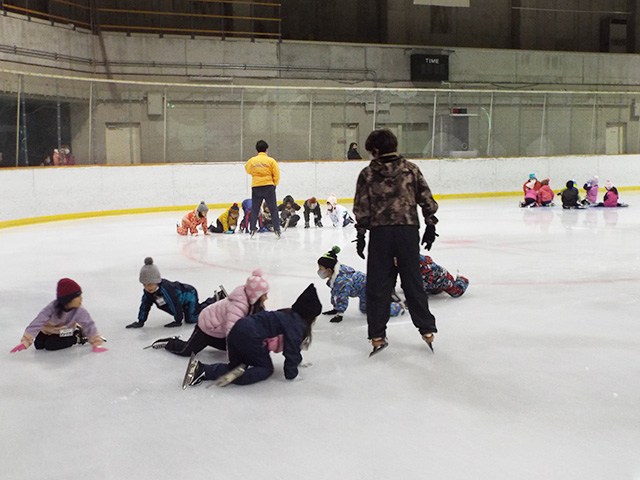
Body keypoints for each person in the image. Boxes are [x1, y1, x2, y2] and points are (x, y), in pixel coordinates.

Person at [353, 128, 438, 356]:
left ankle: (377, 335)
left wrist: (361, 232)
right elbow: (426, 198)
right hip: (408, 232)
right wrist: (430, 223)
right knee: (412, 280)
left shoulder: (368, 174)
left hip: (381, 234)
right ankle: (427, 329)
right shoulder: (411, 169)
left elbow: (362, 207)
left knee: (378, 284)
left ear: (376, 150)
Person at [182, 283, 322, 388]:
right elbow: (291, 349)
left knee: (238, 365)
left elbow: (293, 348)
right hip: (249, 336)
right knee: (265, 369)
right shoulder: (296, 325)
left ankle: (201, 369)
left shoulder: (287, 314)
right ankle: (228, 376)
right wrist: (292, 375)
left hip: (238, 329)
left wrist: (298, 360)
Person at [149, 269, 270, 356]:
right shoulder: (238, 306)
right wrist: (234, 358)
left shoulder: (255, 304)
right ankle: (169, 342)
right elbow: (232, 332)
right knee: (186, 351)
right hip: (207, 327)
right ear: (255, 296)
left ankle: (213, 339)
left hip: (219, 329)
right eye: (263, 295)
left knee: (239, 346)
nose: (266, 298)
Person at [10, 278, 107, 353]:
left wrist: (96, 343)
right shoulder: (51, 308)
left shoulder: (79, 310)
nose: (81, 299)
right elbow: (37, 323)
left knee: (51, 345)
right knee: (39, 345)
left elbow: (89, 325)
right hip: (48, 331)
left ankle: (77, 336)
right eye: (78, 297)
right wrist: (26, 341)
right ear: (68, 300)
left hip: (66, 332)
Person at [317, 246, 403, 324]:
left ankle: (399, 307)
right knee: (364, 309)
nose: (319, 271)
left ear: (329, 270)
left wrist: (340, 313)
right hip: (363, 290)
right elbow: (335, 293)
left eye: (321, 268)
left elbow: (342, 297)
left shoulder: (342, 281)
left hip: (371, 287)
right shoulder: (336, 277)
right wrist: (335, 308)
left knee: (375, 311)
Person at [126, 257, 202, 329]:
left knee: (191, 319)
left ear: (157, 282)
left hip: (189, 294)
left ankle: (210, 303)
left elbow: (174, 304)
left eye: (150, 284)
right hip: (180, 301)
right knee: (183, 312)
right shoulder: (148, 292)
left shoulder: (166, 290)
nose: (147, 287)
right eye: (144, 285)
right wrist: (141, 321)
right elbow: (144, 305)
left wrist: (178, 321)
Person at [245, 140, 281, 238]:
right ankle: (277, 229)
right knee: (273, 209)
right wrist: (274, 184)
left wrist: (256, 175)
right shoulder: (271, 161)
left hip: (256, 186)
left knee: (255, 209)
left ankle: (252, 228)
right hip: (269, 186)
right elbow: (276, 174)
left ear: (257, 150)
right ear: (266, 150)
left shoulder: (252, 161)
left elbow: (247, 170)